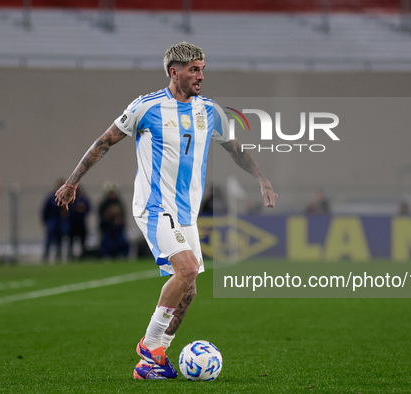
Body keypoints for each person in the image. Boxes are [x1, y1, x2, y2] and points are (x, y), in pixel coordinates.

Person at [54, 42, 278, 380]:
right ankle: (150, 345)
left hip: (186, 213)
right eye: (194, 70)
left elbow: (235, 148)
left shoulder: (209, 111)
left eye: (202, 69)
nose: (201, 76)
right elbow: (104, 141)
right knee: (186, 269)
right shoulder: (146, 107)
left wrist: (262, 179)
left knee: (190, 290)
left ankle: (151, 364)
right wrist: (72, 182)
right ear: (174, 72)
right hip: (154, 205)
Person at [42, 180, 70, 263]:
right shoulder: (52, 197)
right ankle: (45, 258)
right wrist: (45, 221)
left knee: (60, 242)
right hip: (52, 222)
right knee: (49, 241)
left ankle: (59, 259)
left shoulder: (67, 198)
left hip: (61, 223)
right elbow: (45, 210)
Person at [98, 183, 128, 259]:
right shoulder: (104, 204)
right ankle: (106, 256)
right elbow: (102, 215)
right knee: (107, 243)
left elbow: (122, 215)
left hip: (118, 228)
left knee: (121, 242)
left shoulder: (119, 202)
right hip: (107, 227)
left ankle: (121, 255)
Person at [68, 186, 91, 259]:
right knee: (71, 241)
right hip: (72, 223)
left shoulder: (83, 199)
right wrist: (75, 208)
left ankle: (82, 256)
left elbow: (88, 208)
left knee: (83, 241)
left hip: (81, 223)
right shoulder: (70, 199)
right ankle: (71, 256)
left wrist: (83, 209)